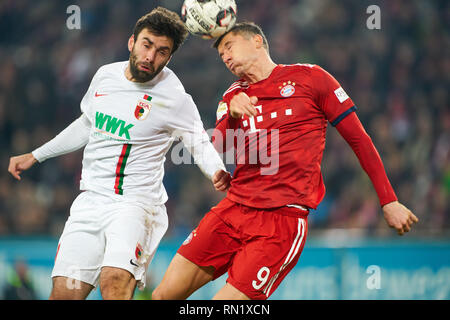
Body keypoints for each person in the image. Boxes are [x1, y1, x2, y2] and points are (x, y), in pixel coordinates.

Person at [151, 22, 419, 300]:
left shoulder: (312, 79)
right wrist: (232, 113)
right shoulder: (233, 95)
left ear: (257, 41)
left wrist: (388, 200)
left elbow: (359, 140)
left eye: (229, 47)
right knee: (162, 296)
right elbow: (217, 146)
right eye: (221, 55)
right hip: (233, 209)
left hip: (281, 221)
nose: (225, 57)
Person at [7, 7, 230, 300]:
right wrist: (37, 155)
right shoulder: (105, 76)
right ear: (132, 42)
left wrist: (216, 170)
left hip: (135, 205)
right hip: (89, 201)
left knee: (113, 283)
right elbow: (87, 124)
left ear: (170, 57)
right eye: (147, 44)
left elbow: (198, 142)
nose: (151, 56)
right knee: (64, 293)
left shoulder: (174, 97)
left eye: (162, 51)